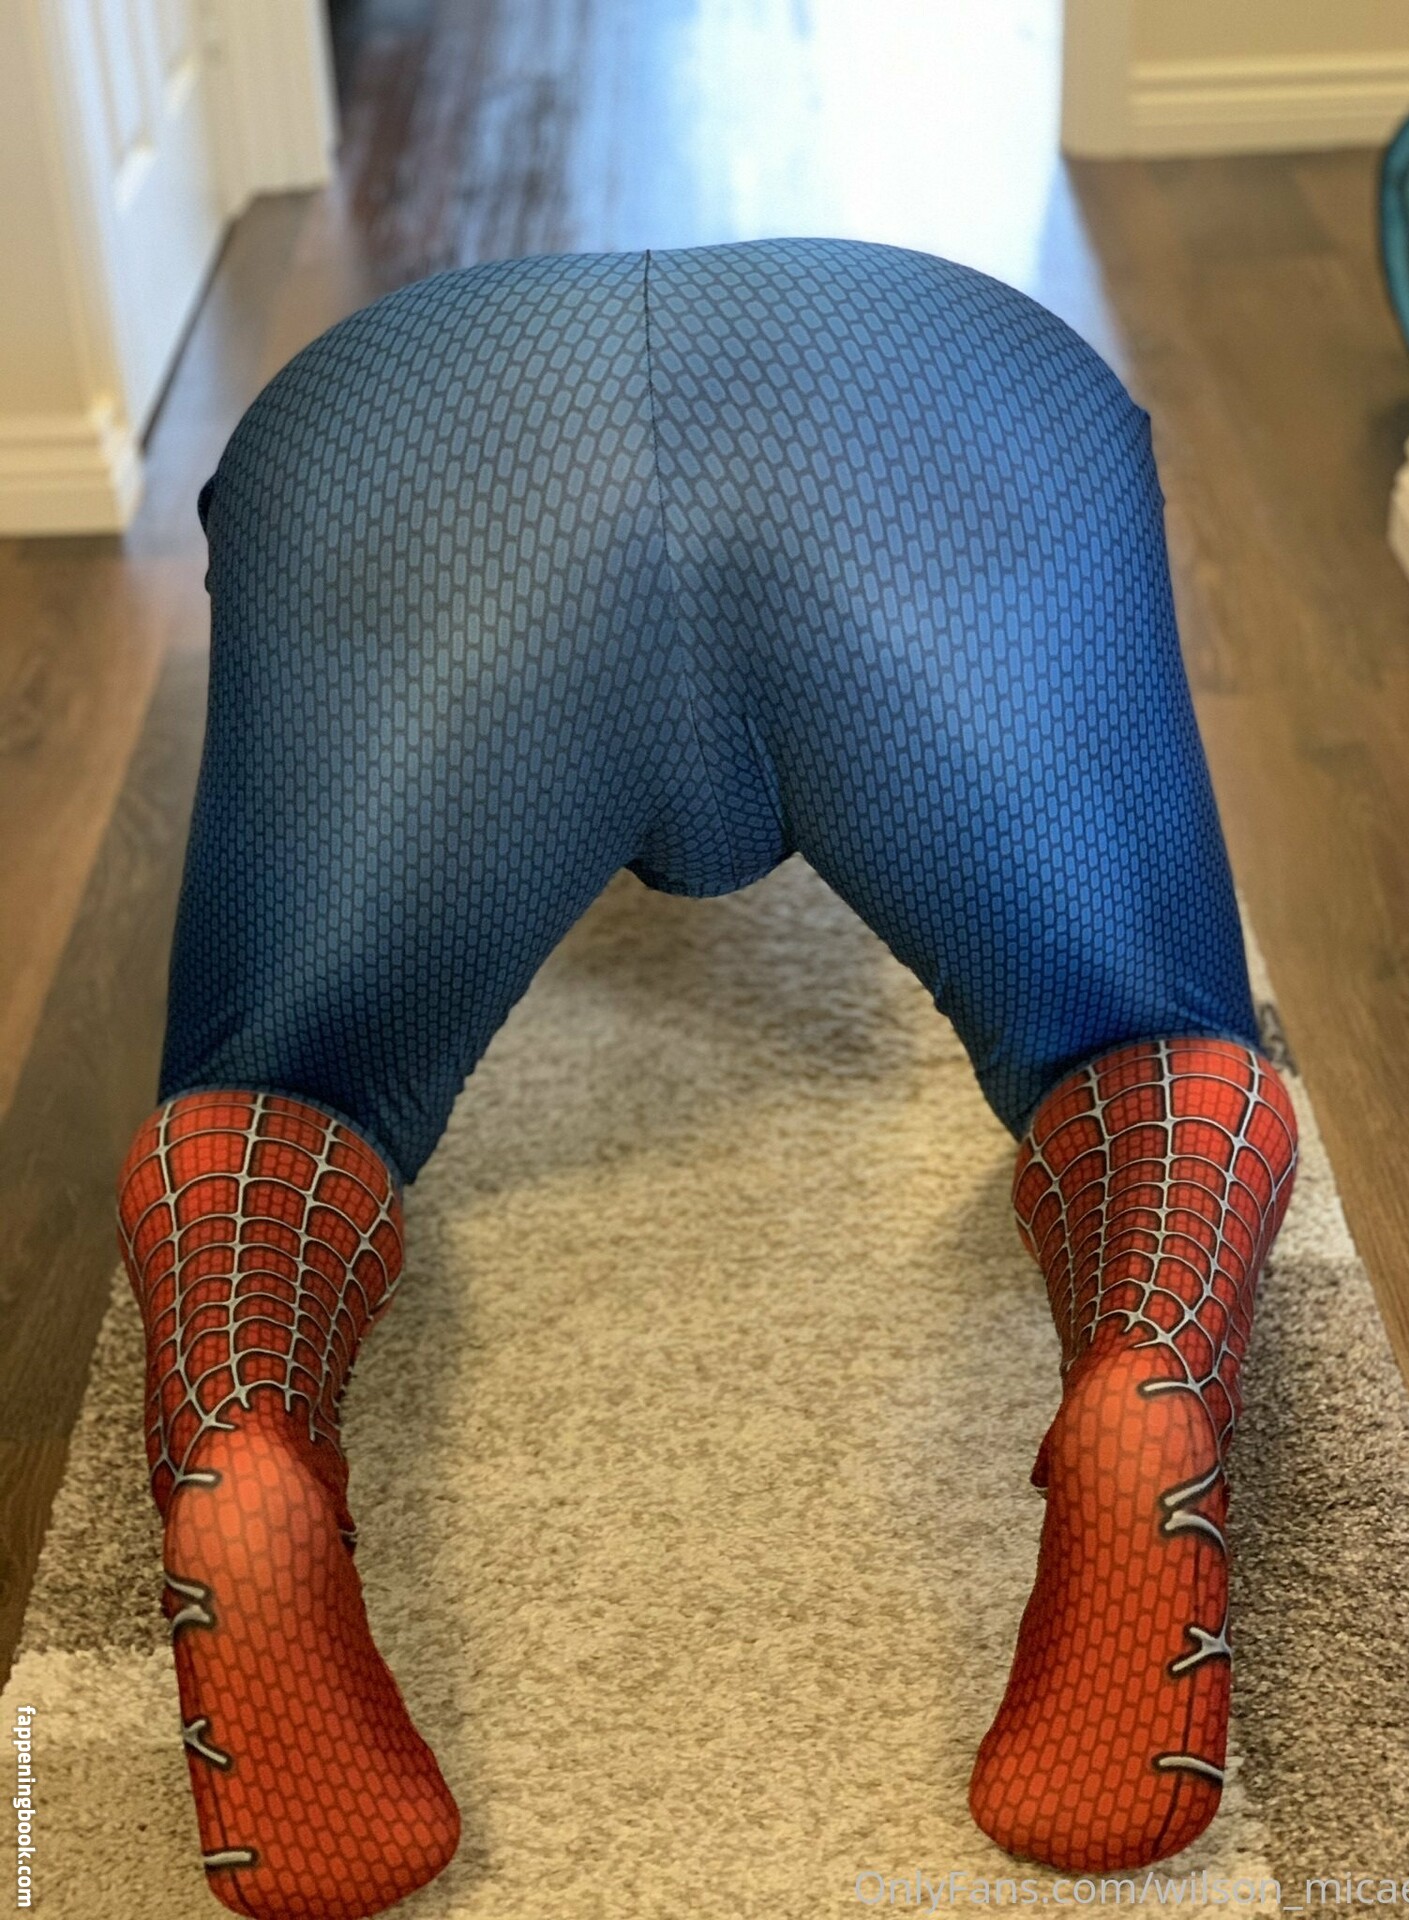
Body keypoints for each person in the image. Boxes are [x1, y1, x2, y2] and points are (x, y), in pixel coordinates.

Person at [115, 237, 1298, 1919]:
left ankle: (242, 1428)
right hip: (946, 407)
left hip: (397, 442)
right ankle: (1148, 1368)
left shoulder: (361, 373)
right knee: (1146, 1045)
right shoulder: (977, 345)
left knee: (276, 1097)